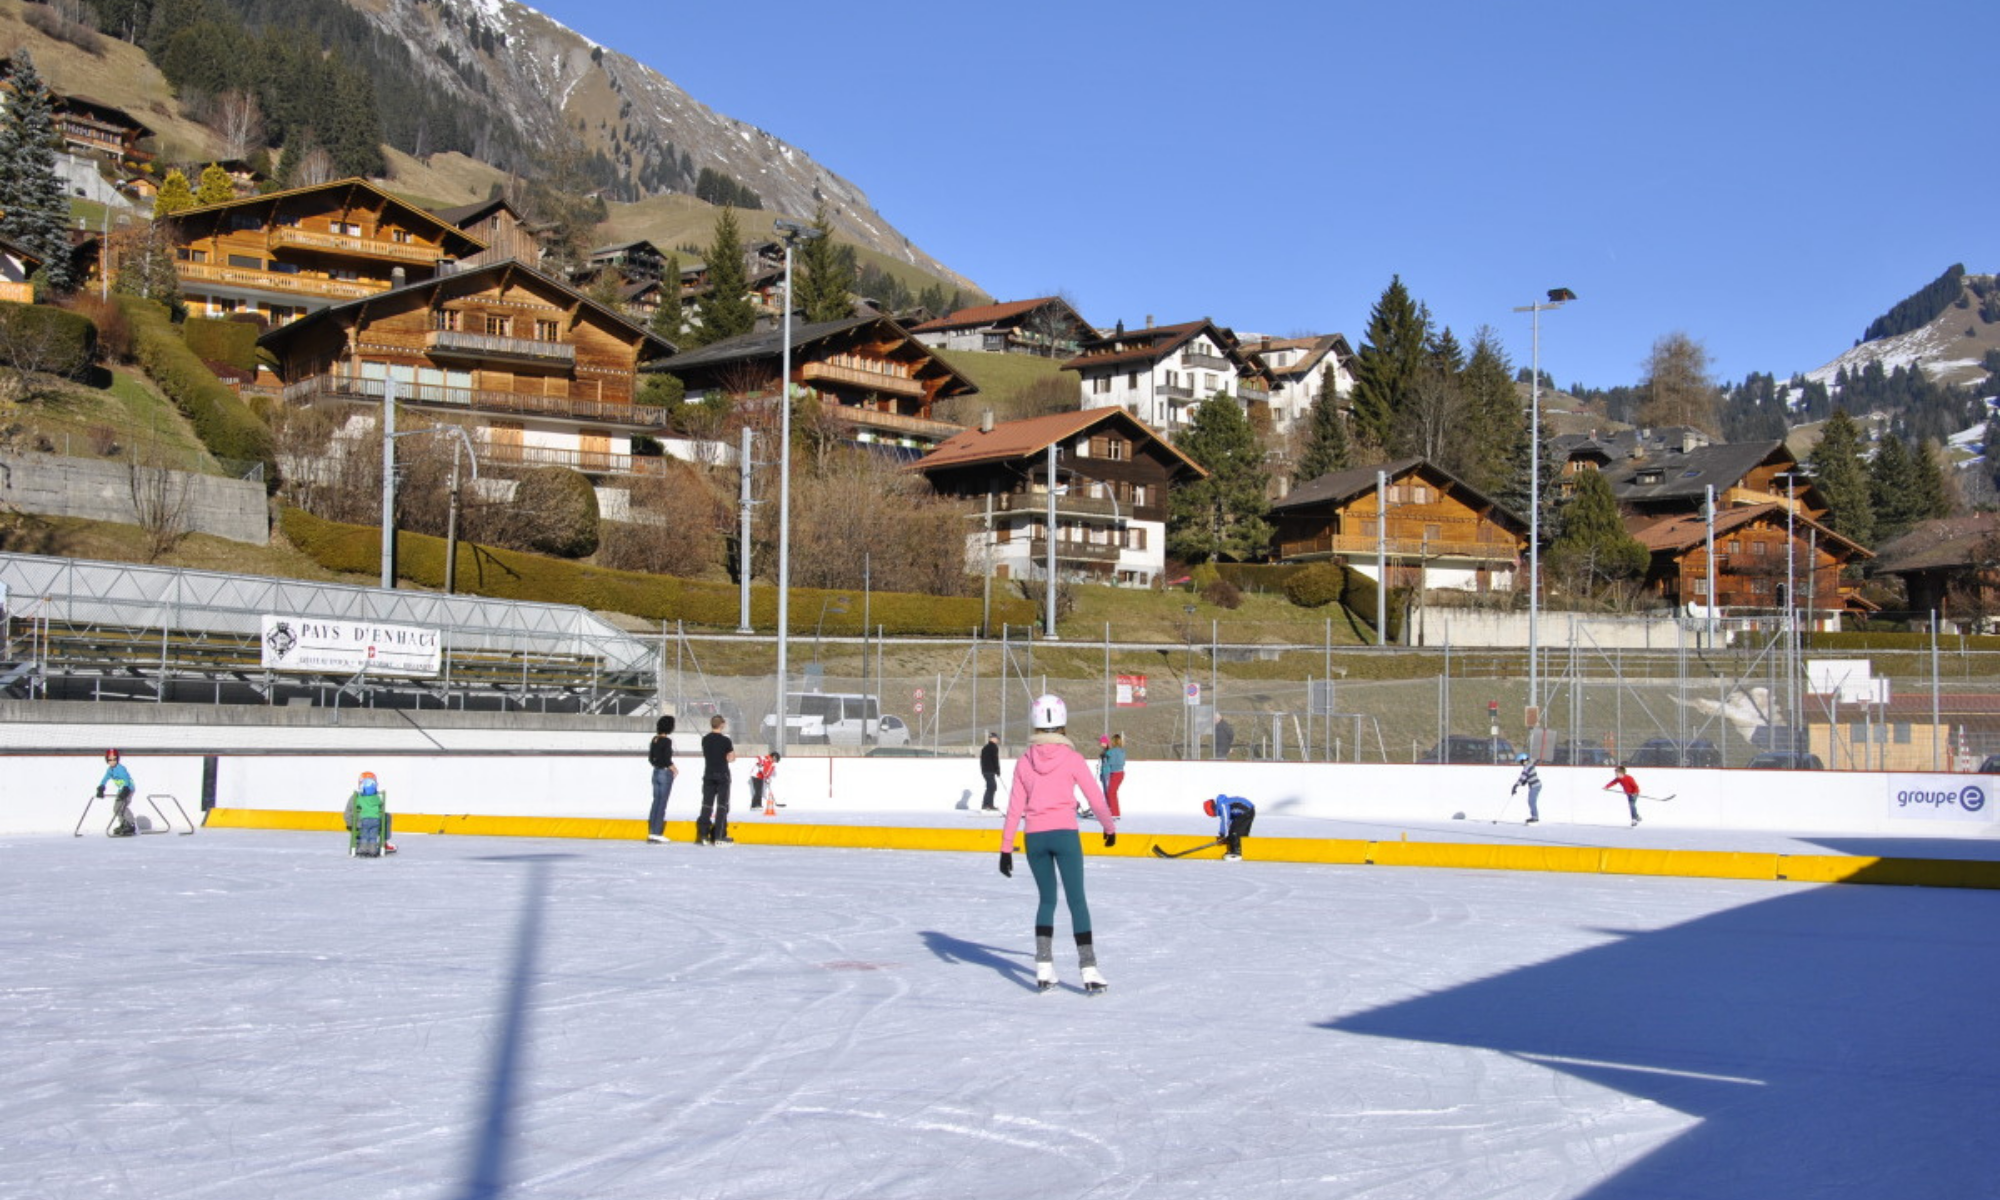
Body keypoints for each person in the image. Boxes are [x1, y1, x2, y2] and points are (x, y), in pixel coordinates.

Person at [999, 694, 1116, 993]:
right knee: (1077, 901)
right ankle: (1089, 969)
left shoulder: (1024, 761)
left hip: (1035, 838)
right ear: (1063, 722)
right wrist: (1108, 827)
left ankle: (1044, 966)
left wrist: (1005, 848)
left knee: (1047, 900)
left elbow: (1014, 808)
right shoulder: (1072, 759)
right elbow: (1094, 797)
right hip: (1065, 835)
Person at [697, 714, 736, 844]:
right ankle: (719, 835)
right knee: (722, 805)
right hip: (722, 773)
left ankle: (703, 834)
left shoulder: (705, 739)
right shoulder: (726, 740)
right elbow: (731, 757)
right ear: (722, 725)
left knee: (707, 804)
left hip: (708, 773)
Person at [344, 771, 393, 857]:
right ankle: (378, 843)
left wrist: (351, 824)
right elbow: (380, 810)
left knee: (385, 817)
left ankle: (371, 844)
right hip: (365, 822)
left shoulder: (357, 796)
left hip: (361, 822)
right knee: (385, 817)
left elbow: (348, 813)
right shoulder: (373, 797)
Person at [646, 715, 678, 843]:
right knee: (662, 803)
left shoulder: (654, 740)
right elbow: (666, 758)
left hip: (656, 772)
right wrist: (674, 769)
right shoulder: (667, 741)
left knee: (656, 801)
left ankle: (652, 831)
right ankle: (657, 832)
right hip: (664, 772)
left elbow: (651, 758)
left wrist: (657, 764)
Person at [97, 749, 136, 837]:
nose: (112, 761)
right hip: (121, 789)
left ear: (117, 759)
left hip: (129, 788)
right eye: (110, 759)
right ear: (107, 760)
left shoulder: (120, 768)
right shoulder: (110, 770)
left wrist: (126, 789)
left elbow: (126, 778)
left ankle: (131, 824)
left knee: (122, 807)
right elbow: (105, 779)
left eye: (114, 759)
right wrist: (101, 788)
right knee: (116, 808)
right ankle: (124, 824)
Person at [1206, 794, 1255, 860]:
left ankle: (1236, 852)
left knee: (1235, 832)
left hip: (1246, 812)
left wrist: (1222, 834)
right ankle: (1241, 849)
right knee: (1239, 832)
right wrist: (1228, 835)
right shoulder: (1225, 804)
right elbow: (1230, 821)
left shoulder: (1223, 805)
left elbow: (1225, 821)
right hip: (1248, 811)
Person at [1100, 733, 1126, 819]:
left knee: (1111, 792)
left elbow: (1109, 762)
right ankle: (1114, 812)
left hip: (1115, 773)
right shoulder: (1122, 751)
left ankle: (1114, 813)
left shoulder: (1111, 752)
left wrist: (1104, 758)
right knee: (1112, 792)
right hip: (1120, 773)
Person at [1511, 753, 1542, 824]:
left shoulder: (1527, 767)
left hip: (1535, 786)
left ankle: (1535, 817)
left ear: (1524, 760)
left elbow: (1522, 777)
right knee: (1531, 801)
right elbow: (1526, 777)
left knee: (1531, 801)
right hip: (1535, 785)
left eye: (1520, 761)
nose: (1520, 763)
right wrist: (1524, 781)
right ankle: (1534, 816)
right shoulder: (1529, 766)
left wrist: (1515, 786)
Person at [979, 733, 1002, 812]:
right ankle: (987, 805)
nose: (997, 740)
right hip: (990, 770)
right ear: (992, 738)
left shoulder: (985, 747)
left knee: (991, 787)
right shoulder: (993, 747)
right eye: (996, 738)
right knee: (992, 787)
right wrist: (997, 770)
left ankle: (988, 804)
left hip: (985, 770)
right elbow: (995, 759)